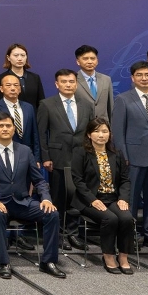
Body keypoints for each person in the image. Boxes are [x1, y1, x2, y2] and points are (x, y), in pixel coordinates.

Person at [0, 112, 66, 280]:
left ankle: (48, 261)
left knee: (52, 214)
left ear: (14, 129)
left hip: (23, 202)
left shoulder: (25, 150)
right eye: (1, 126)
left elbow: (39, 180)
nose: (5, 129)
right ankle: (4, 262)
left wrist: (46, 198)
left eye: (8, 126)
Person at [110, 61, 148, 252]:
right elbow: (117, 132)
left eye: (147, 75)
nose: (144, 78)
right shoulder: (123, 99)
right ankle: (130, 235)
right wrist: (123, 157)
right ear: (132, 78)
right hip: (132, 157)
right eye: (139, 75)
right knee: (131, 198)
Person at [37, 69, 96, 251]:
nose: (68, 85)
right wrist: (45, 157)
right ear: (57, 84)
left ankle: (73, 234)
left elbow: (91, 132)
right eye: (64, 82)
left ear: (76, 83)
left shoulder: (87, 104)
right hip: (57, 158)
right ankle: (58, 235)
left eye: (71, 81)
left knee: (77, 199)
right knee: (58, 199)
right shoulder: (47, 104)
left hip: (81, 158)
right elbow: (41, 133)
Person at [72, 117, 135, 274]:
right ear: (89, 134)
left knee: (126, 218)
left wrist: (123, 198)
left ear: (109, 134)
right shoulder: (81, 153)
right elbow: (78, 181)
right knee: (110, 219)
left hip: (112, 198)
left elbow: (125, 180)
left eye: (105, 131)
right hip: (89, 199)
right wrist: (92, 200)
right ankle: (108, 256)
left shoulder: (117, 154)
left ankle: (123, 257)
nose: (101, 135)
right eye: (97, 131)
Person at [0, 73, 40, 161]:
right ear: (1, 89)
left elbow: (34, 134)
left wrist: (37, 158)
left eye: (16, 85)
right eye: (8, 85)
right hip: (1, 156)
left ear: (20, 89)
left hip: (27, 155)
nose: (12, 88)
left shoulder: (28, 107)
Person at [0, 43, 46, 110]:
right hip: (10, 115)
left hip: (32, 115)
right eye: (16, 55)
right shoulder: (1, 78)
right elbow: (0, 103)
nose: (20, 58)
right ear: (8, 58)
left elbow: (41, 102)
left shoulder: (35, 77)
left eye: (23, 55)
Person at [74, 45, 112, 120]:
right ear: (78, 61)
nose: (90, 62)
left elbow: (110, 106)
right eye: (85, 59)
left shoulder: (106, 79)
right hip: (82, 124)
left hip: (103, 124)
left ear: (97, 61)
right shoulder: (72, 80)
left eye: (93, 58)